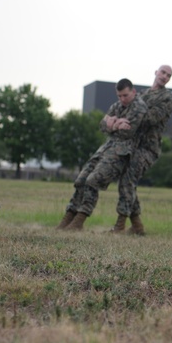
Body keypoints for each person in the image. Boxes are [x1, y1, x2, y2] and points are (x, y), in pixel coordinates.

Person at [55, 79, 148, 231]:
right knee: (81, 180)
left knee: (93, 181)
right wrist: (116, 124)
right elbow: (102, 125)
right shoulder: (117, 106)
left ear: (133, 91)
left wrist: (112, 123)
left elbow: (128, 131)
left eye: (125, 95)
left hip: (122, 153)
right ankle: (68, 217)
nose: (122, 99)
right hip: (106, 149)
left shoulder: (139, 106)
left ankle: (79, 220)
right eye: (119, 96)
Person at [111, 64, 172, 235]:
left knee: (127, 181)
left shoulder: (168, 97)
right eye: (163, 72)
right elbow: (124, 109)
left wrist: (128, 118)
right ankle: (137, 226)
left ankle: (119, 226)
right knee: (127, 182)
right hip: (132, 145)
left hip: (148, 148)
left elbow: (150, 118)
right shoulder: (142, 94)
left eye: (168, 75)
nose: (164, 76)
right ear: (156, 72)